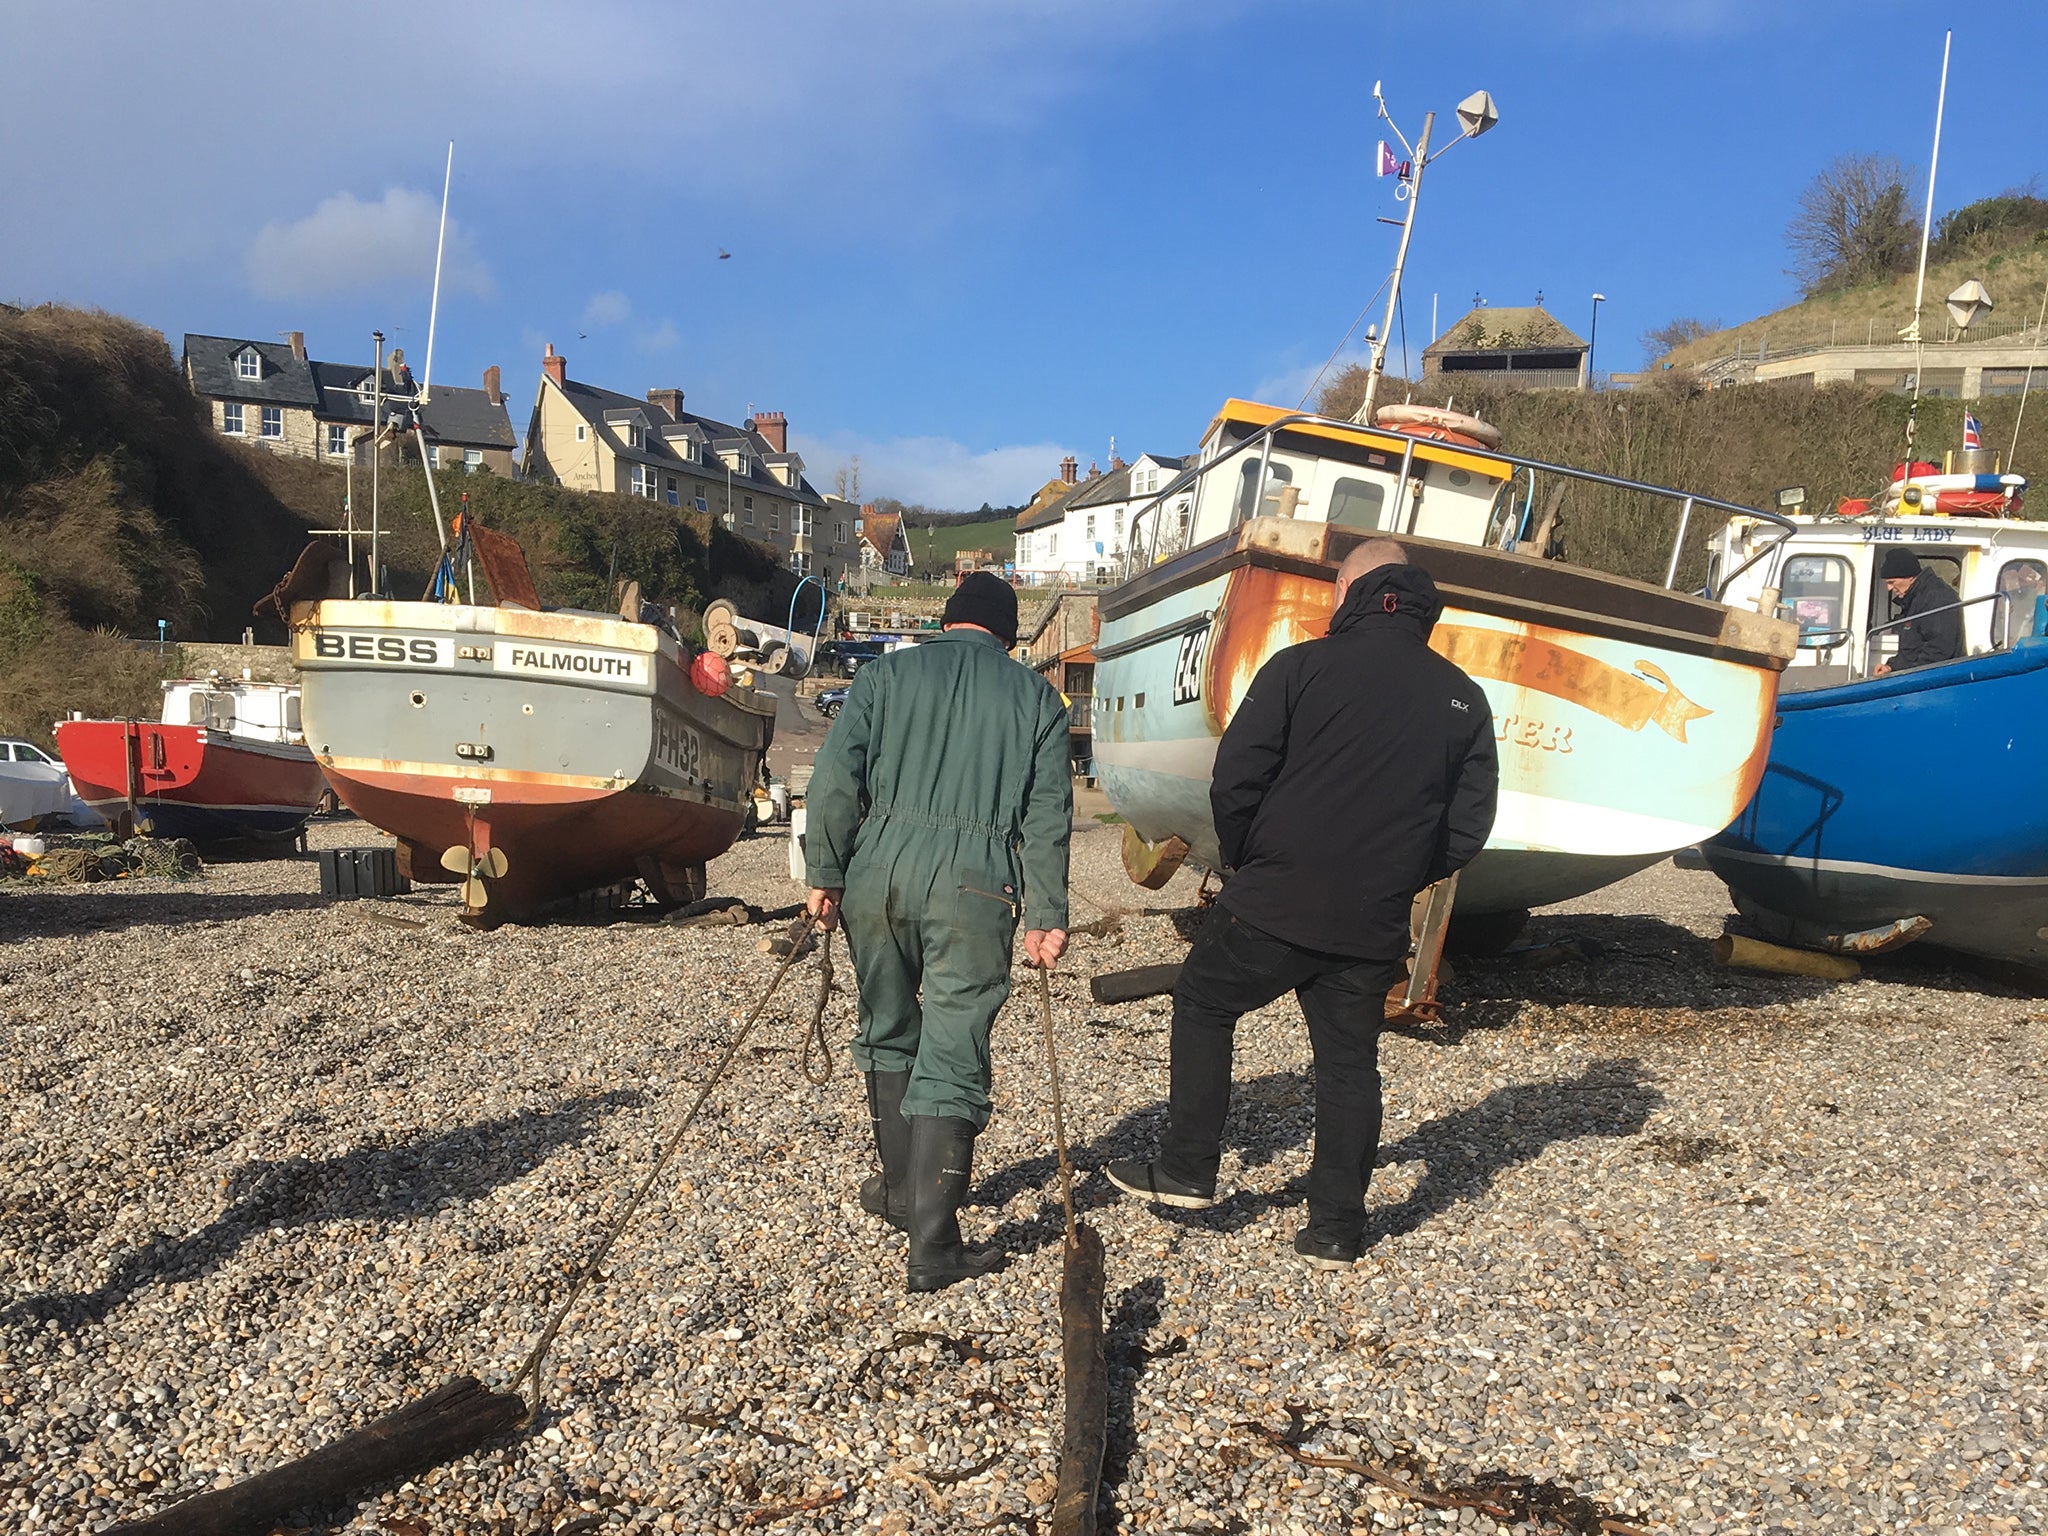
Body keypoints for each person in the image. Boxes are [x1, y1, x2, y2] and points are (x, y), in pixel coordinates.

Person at [1105, 540, 1498, 1271]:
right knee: (1349, 1065)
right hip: (1371, 917)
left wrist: (1253, 859)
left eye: (1337, 589)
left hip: (1277, 899)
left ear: (1355, 591)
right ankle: (1336, 1229)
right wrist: (1402, 873)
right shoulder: (1462, 698)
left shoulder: (1301, 668)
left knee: (1203, 1002)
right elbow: (1468, 828)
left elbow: (1237, 779)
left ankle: (1189, 1167)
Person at [805, 571, 1072, 1292]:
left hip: (876, 870)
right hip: (977, 883)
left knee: (887, 1027)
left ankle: (900, 1194)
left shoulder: (887, 674)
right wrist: (1046, 914)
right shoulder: (1038, 699)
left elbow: (834, 777)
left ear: (948, 621)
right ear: (1007, 635)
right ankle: (932, 1244)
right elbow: (1047, 819)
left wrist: (824, 871)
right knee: (953, 1049)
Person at [1873, 549, 1962, 674]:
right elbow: (1911, 648)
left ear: (1909, 577)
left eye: (1892, 582)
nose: (1889, 588)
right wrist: (1891, 667)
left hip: (1939, 678)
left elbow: (1939, 648)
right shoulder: (1914, 599)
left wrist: (1912, 675)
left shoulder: (1937, 597)